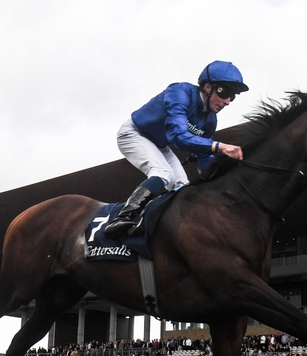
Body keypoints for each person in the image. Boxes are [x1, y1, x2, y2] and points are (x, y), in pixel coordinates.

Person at [103, 61, 248, 238]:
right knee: (163, 172)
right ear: (207, 87)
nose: (227, 101)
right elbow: (177, 135)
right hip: (134, 133)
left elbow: (205, 159)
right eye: (223, 92)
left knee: (182, 186)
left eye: (232, 96)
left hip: (159, 145)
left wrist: (227, 172)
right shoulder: (179, 92)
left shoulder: (210, 121)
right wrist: (219, 146)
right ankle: (122, 218)